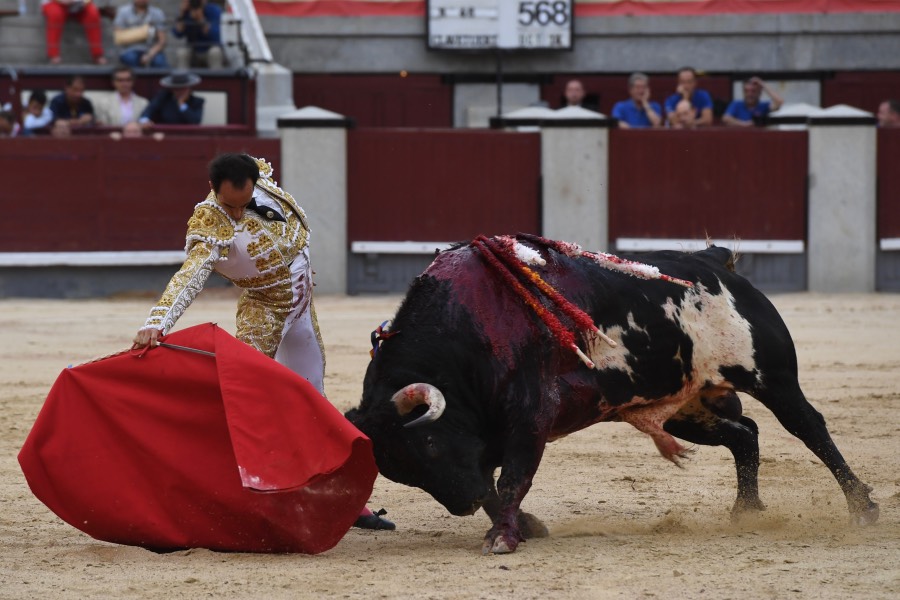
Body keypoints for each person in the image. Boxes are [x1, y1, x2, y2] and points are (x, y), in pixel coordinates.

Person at [132, 153, 395, 531]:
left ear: (255, 184)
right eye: (228, 206)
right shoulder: (210, 221)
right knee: (247, 402)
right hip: (263, 310)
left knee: (314, 399)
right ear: (213, 190)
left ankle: (343, 498)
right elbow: (189, 275)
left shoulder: (266, 185)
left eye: (242, 204)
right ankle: (239, 493)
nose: (236, 215)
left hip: (302, 304)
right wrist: (156, 323)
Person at [41, 0, 107, 65]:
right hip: (53, 3)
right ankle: (53, 55)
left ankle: (97, 54)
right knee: (55, 14)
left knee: (93, 14)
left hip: (79, 4)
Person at [113, 0, 169, 68]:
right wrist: (144, 32)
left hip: (152, 50)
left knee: (160, 63)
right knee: (130, 59)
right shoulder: (123, 12)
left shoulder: (157, 13)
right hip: (129, 50)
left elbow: (162, 41)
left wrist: (149, 55)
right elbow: (119, 37)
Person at [172, 0, 224, 70]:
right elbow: (177, 33)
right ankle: (183, 79)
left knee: (215, 52)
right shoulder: (186, 11)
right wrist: (181, 14)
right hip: (193, 49)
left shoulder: (214, 10)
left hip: (209, 49)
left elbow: (216, 37)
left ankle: (217, 80)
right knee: (182, 53)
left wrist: (201, 20)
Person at [139, 70, 204, 126]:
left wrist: (182, 104)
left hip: (188, 138)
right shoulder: (163, 98)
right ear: (172, 89)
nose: (180, 92)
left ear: (189, 89)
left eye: (183, 88)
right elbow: (149, 110)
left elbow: (195, 121)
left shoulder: (197, 102)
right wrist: (145, 121)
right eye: (177, 89)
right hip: (166, 136)